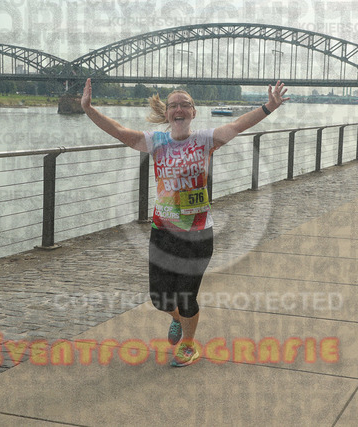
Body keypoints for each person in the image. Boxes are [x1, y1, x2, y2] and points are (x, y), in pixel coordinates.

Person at [80, 78, 289, 367]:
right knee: (160, 299)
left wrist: (269, 107)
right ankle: (176, 319)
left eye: (185, 104)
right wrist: (89, 109)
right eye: (173, 105)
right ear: (167, 113)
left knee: (187, 295)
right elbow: (120, 132)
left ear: (193, 112)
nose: (179, 109)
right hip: (163, 232)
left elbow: (239, 124)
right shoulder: (156, 142)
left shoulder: (205, 140)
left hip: (197, 233)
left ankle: (188, 345)